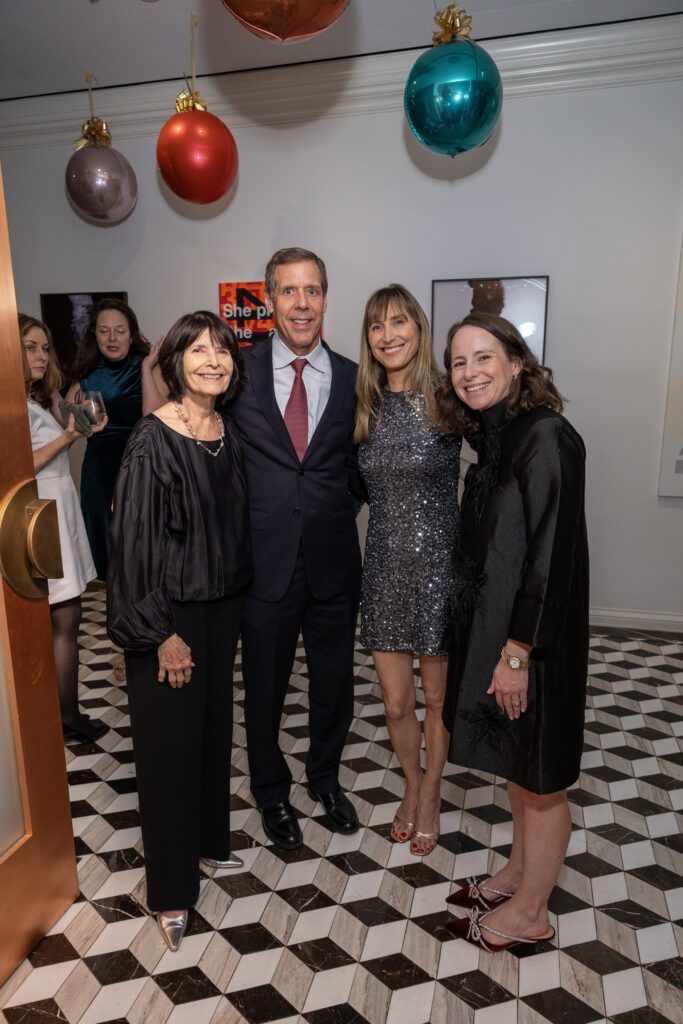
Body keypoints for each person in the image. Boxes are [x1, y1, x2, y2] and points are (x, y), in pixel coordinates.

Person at [437, 312, 588, 951]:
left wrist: (519, 653)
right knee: (517, 766)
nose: (470, 372)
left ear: (517, 363)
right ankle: (519, 873)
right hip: (500, 634)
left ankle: (532, 912)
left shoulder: (547, 435)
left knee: (541, 776)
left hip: (535, 642)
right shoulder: (496, 437)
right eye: (458, 361)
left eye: (483, 357)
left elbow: (551, 554)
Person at [107, 311, 251, 952]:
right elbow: (133, 546)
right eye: (197, 351)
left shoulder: (226, 430)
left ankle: (207, 844)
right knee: (168, 753)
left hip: (221, 611)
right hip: (170, 617)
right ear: (175, 362)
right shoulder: (151, 438)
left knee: (212, 735)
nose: (212, 361)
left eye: (222, 351)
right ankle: (169, 889)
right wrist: (160, 632)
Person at [230, 247, 363, 850]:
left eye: (312, 290)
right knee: (264, 687)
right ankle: (271, 791)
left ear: (326, 298)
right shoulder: (239, 371)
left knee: (334, 685)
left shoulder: (355, 378)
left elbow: (358, 467)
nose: (302, 303)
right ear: (270, 299)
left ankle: (325, 779)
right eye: (289, 290)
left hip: (334, 561)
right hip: (264, 563)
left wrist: (328, 511)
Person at [355, 285, 461, 856]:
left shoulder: (447, 399)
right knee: (397, 703)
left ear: (418, 329)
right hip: (383, 570)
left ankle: (431, 793)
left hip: (440, 570)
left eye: (399, 322)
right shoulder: (364, 403)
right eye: (377, 326)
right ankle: (412, 783)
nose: (388, 335)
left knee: (438, 701)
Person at [19, 314, 109, 743]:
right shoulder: (12, 405)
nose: (41, 355)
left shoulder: (30, 398)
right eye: (30, 347)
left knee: (66, 616)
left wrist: (72, 418)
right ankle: (65, 715)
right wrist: (68, 438)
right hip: (42, 516)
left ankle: (62, 711)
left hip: (55, 509)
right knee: (65, 617)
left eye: (44, 348)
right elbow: (18, 465)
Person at [65, 298, 165, 580]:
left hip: (139, 463)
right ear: (94, 334)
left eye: (120, 331)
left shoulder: (149, 365)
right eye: (104, 330)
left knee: (141, 544)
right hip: (97, 467)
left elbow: (157, 417)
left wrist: (146, 369)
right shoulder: (87, 372)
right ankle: (114, 603)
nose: (112, 338)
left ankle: (144, 604)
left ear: (131, 334)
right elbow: (65, 420)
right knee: (105, 548)